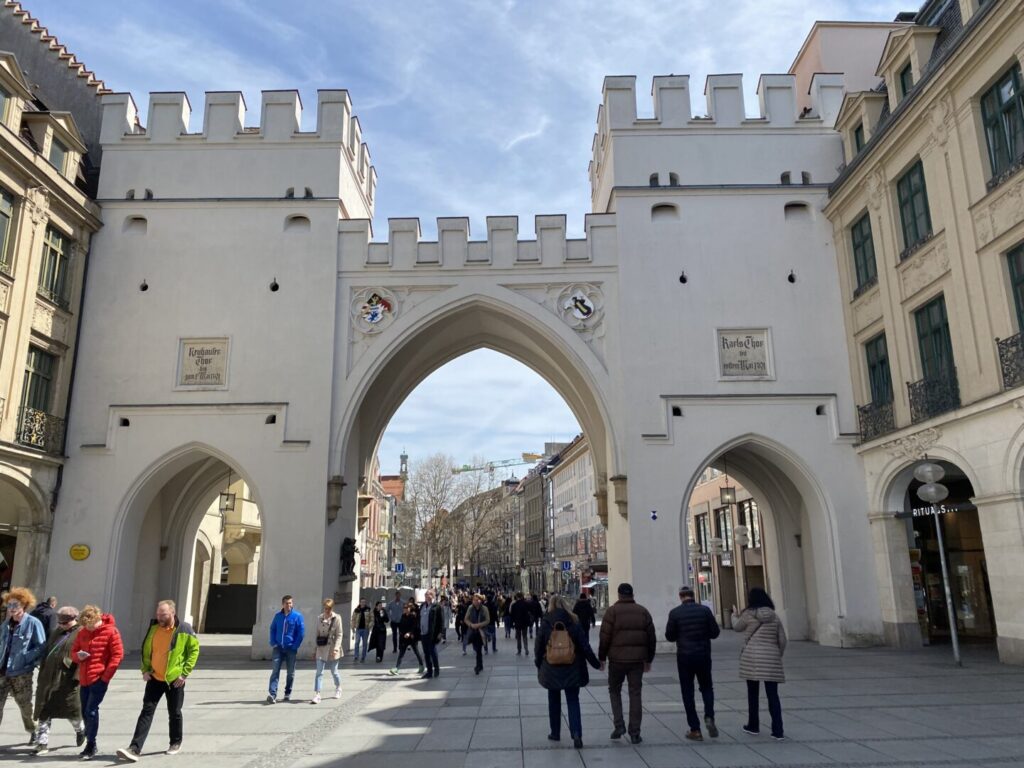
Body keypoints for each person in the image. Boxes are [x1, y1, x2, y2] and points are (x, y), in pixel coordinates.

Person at [116, 599, 200, 761]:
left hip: (174, 679)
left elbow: (194, 651)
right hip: (154, 677)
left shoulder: (184, 629)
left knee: (174, 712)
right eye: (158, 614)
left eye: (163, 614)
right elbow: (146, 651)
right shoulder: (153, 629)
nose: (160, 617)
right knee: (146, 711)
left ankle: (175, 742)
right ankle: (134, 748)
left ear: (173, 613)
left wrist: (184, 674)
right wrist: (145, 670)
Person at [535, 595, 601, 750]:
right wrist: (596, 664)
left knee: (553, 700)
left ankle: (555, 732)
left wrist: (538, 663)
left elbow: (538, 646)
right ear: (566, 605)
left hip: (551, 668)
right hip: (572, 667)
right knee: (573, 700)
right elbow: (584, 646)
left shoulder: (546, 622)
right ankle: (577, 734)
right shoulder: (574, 621)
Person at [598, 583, 656, 744]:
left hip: (616, 660)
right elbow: (652, 638)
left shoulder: (612, 612)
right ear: (632, 594)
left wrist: (602, 658)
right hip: (637, 661)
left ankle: (619, 726)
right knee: (635, 694)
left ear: (619, 595)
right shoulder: (643, 611)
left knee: (614, 691)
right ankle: (635, 732)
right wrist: (649, 659)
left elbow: (605, 638)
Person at [665, 585, 721, 741]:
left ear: (680, 596)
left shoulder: (675, 613)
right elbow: (715, 633)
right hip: (703, 655)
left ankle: (695, 729)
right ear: (693, 595)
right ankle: (709, 716)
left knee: (687, 692)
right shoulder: (705, 611)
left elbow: (669, 636)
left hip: (684, 657)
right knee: (707, 688)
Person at [733, 588, 787, 741]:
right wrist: (778, 654)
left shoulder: (748, 614)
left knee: (752, 693)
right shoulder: (774, 616)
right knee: (773, 696)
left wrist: (734, 615)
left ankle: (753, 725)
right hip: (771, 659)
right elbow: (782, 640)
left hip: (751, 658)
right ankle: (778, 730)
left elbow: (737, 627)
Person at [71, 604, 124, 760]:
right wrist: (77, 657)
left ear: (97, 619)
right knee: (85, 712)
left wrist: (105, 678)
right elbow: (73, 651)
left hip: (99, 678)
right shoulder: (83, 633)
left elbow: (117, 656)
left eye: (90, 624)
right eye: (85, 625)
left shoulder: (111, 631)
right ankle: (90, 742)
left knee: (91, 710)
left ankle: (91, 745)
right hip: (84, 678)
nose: (88, 628)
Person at [33, 605, 85, 755]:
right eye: (60, 622)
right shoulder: (57, 632)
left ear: (74, 619)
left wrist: (77, 677)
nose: (61, 625)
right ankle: (41, 743)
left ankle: (80, 730)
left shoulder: (81, 633)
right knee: (44, 709)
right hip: (48, 678)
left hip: (67, 679)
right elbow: (47, 651)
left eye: (65, 623)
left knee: (72, 711)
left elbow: (84, 657)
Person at [0, 587, 47, 746]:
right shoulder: (6, 624)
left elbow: (41, 647)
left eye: (16, 605)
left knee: (25, 707)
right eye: (9, 605)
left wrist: (26, 659)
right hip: (2, 672)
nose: (12, 608)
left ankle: (33, 731)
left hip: (21, 674)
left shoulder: (34, 623)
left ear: (24, 605)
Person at [267, 595, 304, 704]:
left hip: (291, 649)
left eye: (290, 603)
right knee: (275, 671)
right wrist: (273, 642)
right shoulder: (278, 616)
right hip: (278, 648)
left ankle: (287, 693)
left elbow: (301, 633)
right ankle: (272, 694)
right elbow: (272, 629)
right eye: (287, 603)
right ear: (282, 604)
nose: (289, 605)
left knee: (290, 673)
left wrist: (295, 646)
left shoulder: (297, 616)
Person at [311, 599, 342, 704]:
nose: (327, 610)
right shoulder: (319, 618)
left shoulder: (337, 618)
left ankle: (338, 687)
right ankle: (317, 694)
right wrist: (314, 650)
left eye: (329, 608)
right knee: (319, 672)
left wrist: (336, 648)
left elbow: (339, 635)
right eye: (325, 608)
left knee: (334, 672)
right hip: (321, 648)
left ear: (332, 608)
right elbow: (316, 634)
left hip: (333, 648)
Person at [388, 601, 423, 676]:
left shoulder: (413, 616)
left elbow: (414, 626)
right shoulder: (403, 616)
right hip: (404, 638)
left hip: (412, 638)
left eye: (406, 608)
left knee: (416, 652)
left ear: (410, 609)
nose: (405, 609)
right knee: (401, 653)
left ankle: (421, 665)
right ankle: (396, 668)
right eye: (404, 608)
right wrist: (402, 633)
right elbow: (401, 626)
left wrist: (410, 633)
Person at [418, 590, 444, 679]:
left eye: (427, 594)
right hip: (423, 633)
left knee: (432, 652)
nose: (425, 595)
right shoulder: (422, 605)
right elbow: (419, 618)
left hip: (432, 633)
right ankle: (429, 671)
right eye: (425, 594)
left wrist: (440, 633)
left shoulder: (437, 606)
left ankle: (436, 669)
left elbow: (441, 621)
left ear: (432, 596)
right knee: (426, 653)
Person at [463, 594, 489, 675]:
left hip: (481, 632)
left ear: (481, 600)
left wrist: (479, 625)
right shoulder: (470, 608)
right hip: (473, 631)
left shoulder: (484, 609)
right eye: (474, 600)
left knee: (478, 649)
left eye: (478, 600)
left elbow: (488, 620)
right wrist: (471, 625)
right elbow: (466, 619)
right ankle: (480, 665)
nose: (476, 601)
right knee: (477, 649)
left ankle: (478, 666)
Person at [351, 598, 372, 663]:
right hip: (358, 629)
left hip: (365, 629)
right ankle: (356, 656)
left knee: (364, 644)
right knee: (357, 642)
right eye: (362, 602)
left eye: (364, 602)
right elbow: (353, 619)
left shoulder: (368, 609)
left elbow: (372, 619)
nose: (363, 603)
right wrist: (353, 628)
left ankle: (363, 657)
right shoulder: (357, 610)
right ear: (360, 603)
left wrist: (369, 626)